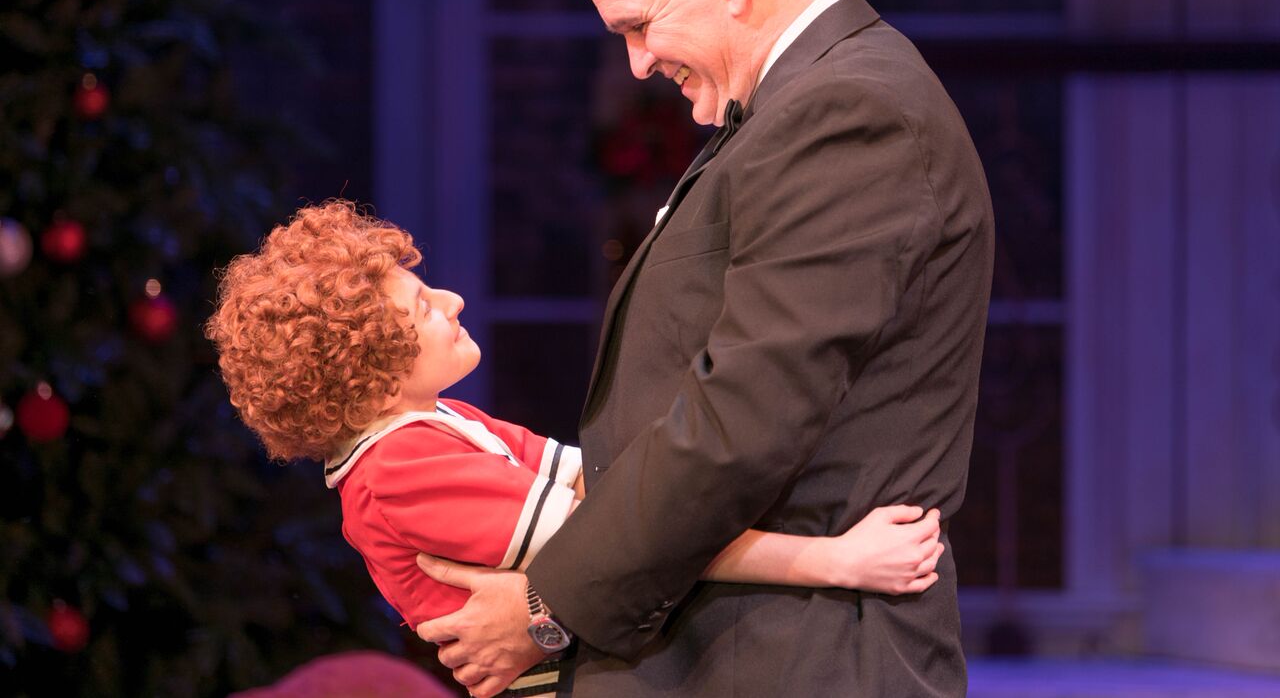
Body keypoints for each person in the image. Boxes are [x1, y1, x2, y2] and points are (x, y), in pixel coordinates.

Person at [413, 0, 994, 698]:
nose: (639, 63)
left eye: (640, 25)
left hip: (796, 661)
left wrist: (547, 608)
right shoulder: (795, 109)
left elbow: (741, 420)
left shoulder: (848, 114)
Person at [204, 200, 948, 698]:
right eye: (421, 308)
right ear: (364, 374)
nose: (451, 301)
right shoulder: (400, 472)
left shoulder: (440, 426)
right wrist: (833, 559)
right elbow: (633, 544)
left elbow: (614, 488)